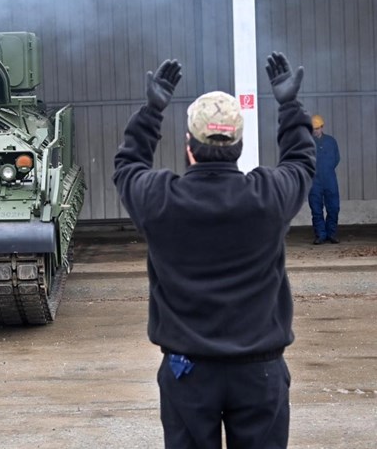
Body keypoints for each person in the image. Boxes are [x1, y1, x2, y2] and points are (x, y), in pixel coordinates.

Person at [112, 52, 315, 449]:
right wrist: (290, 106)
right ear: (239, 145)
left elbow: (126, 165)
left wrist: (152, 110)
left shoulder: (160, 200)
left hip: (188, 370)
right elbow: (303, 161)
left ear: (190, 145)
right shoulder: (268, 197)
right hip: (260, 372)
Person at [308, 114, 340, 244]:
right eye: (313, 128)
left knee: (333, 207)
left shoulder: (331, 141)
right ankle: (320, 235)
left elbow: (337, 158)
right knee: (316, 208)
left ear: (322, 127)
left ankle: (331, 233)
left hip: (329, 179)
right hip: (314, 181)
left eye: (317, 128)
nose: (315, 131)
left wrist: (327, 169)